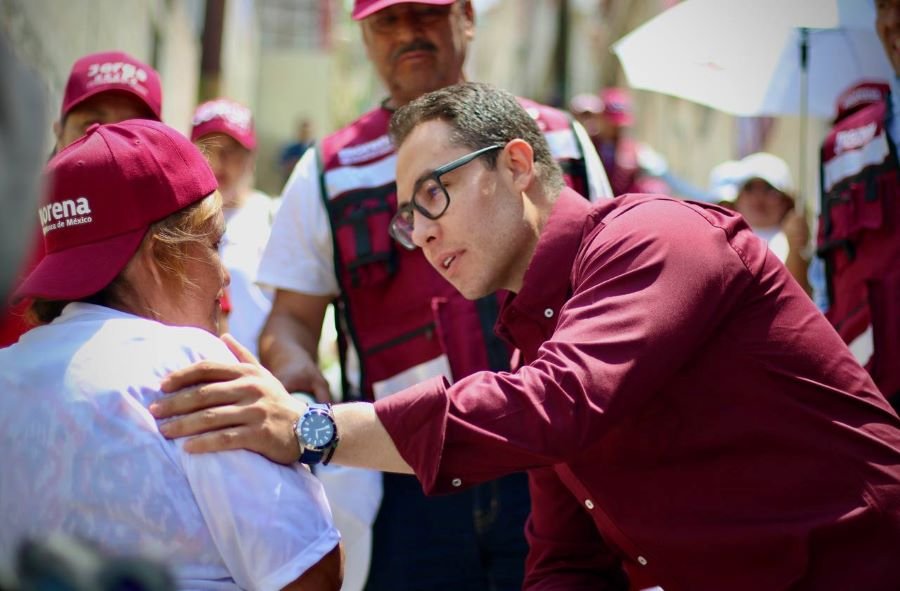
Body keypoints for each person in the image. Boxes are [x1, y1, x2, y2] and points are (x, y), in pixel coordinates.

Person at [152, 82, 900, 590]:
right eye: (407, 218)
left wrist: (311, 427)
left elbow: (554, 403)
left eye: (433, 194)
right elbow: (567, 560)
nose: (423, 234)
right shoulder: (534, 344)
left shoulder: (656, 235)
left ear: (516, 163)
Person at [255, 1, 611, 589]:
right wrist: (294, 371)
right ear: (362, 36)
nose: (408, 34)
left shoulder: (555, 138)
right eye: (387, 22)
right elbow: (291, 319)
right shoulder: (328, 168)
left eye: (424, 14)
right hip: (399, 477)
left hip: (554, 459)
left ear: (466, 17)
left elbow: (607, 270)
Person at [0, 120, 342, 590]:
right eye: (213, 244)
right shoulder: (192, 370)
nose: (224, 276)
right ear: (160, 257)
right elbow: (312, 574)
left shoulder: (7, 374)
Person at [0, 49, 164, 347]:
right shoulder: (11, 217)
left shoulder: (180, 240)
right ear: (58, 132)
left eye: (130, 129)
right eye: (91, 125)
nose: (107, 141)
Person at [814, 0, 900, 407]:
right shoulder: (839, 148)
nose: (894, 21)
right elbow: (826, 282)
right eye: (885, 5)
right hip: (872, 397)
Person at [191, 98, 279, 358]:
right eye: (209, 147)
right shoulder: (174, 223)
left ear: (251, 157)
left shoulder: (272, 216)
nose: (219, 160)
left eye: (232, 149)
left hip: (260, 373)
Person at [711, 152, 811, 292]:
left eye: (769, 189)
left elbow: (798, 296)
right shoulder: (720, 241)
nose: (758, 198)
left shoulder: (798, 242)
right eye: (750, 188)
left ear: (786, 201)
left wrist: (796, 249)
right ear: (737, 199)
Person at [279, 118, 315, 186]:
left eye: (307, 132)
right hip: (291, 182)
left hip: (309, 184)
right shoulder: (290, 149)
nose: (305, 135)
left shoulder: (315, 149)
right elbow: (281, 164)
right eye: (303, 132)